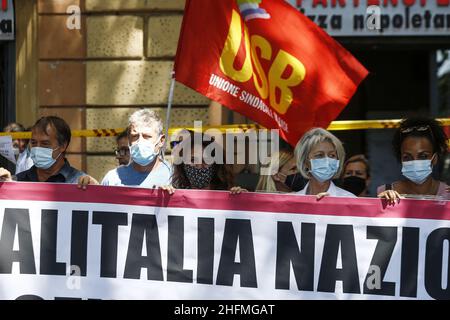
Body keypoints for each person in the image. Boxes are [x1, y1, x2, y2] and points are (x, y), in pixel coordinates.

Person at [0, 116, 95, 185]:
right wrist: (6, 186)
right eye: (33, 143)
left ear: (63, 146)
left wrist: (95, 190)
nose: (37, 148)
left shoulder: (80, 183)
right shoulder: (19, 180)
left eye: (45, 144)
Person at [377, 117, 449, 204]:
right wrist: (380, 203)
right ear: (401, 159)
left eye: (423, 156)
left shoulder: (447, 194)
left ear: (435, 158)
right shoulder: (385, 192)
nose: (415, 162)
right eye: (407, 157)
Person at [101, 109, 172, 188]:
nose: (140, 142)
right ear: (129, 139)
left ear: (161, 141)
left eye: (147, 136)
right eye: (135, 136)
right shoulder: (112, 179)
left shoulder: (174, 177)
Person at [165, 130, 245, 194]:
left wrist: (245, 199)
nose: (199, 165)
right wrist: (162, 198)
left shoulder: (228, 196)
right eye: (193, 160)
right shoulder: (175, 195)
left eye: (206, 160)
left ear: (216, 164)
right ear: (183, 164)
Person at [294, 127, 356, 199]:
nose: (327, 160)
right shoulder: (292, 202)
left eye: (332, 155)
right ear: (305, 162)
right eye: (319, 155)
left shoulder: (349, 200)